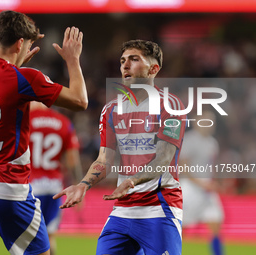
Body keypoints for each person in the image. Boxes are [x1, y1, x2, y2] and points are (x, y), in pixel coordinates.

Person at [0, 10, 87, 255]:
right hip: (9, 193)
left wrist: (15, 66)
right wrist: (73, 59)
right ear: (21, 43)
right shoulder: (23, 78)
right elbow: (79, 100)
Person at [54, 39, 186, 255]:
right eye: (123, 60)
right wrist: (83, 185)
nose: (125, 65)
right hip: (123, 210)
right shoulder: (112, 109)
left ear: (154, 69)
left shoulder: (170, 105)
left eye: (134, 59)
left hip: (159, 208)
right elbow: (104, 160)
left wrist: (131, 181)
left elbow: (163, 159)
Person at [28, 102, 83, 255]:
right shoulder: (64, 122)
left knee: (26, 238)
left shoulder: (24, 120)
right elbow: (73, 160)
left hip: (30, 186)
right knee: (49, 237)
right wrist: (79, 186)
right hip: (53, 187)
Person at [179, 110, 225, 255]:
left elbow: (211, 166)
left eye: (212, 121)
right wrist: (201, 183)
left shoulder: (212, 142)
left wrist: (214, 182)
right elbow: (183, 167)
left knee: (216, 221)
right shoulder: (189, 139)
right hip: (190, 187)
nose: (211, 125)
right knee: (183, 227)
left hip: (206, 188)